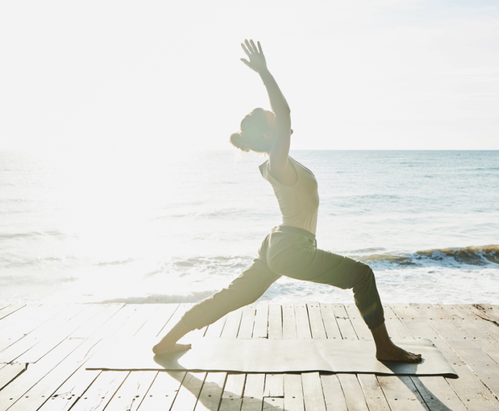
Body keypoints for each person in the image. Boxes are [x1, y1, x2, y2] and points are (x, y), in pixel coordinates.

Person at [152, 39, 421, 363]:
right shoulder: (277, 161)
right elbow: (286, 111)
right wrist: (264, 74)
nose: (281, 123)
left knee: (233, 296)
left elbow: (284, 118)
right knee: (362, 275)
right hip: (291, 247)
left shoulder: (281, 162)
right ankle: (385, 348)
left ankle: (166, 341)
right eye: (274, 122)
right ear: (271, 136)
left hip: (279, 243)